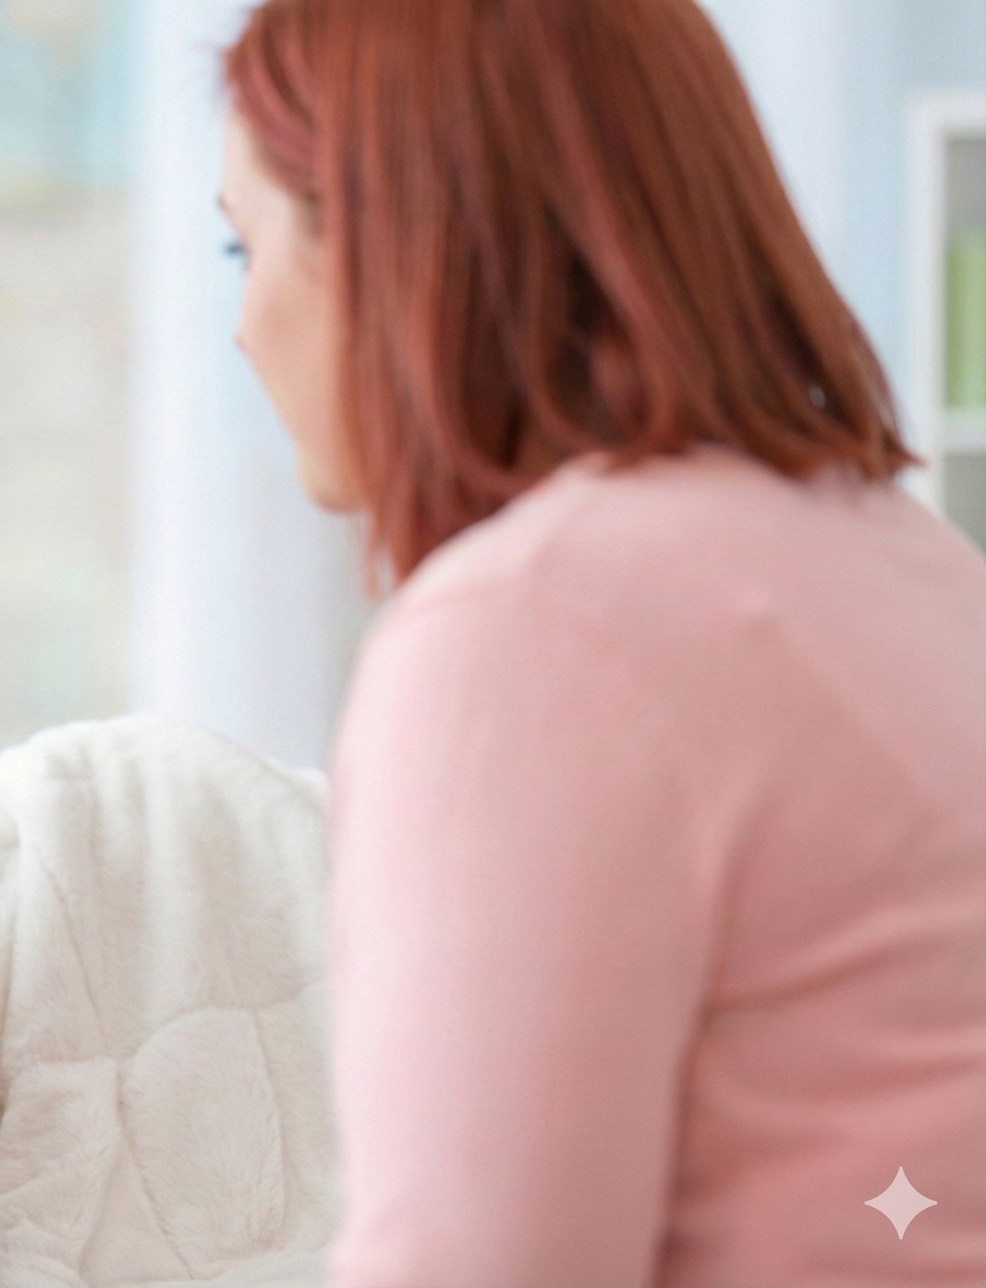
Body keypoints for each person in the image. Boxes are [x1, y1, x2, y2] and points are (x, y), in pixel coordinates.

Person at [218, 1, 986, 1284]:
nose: (243, 328)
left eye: (244, 250)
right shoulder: (914, 563)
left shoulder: (530, 628)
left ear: (393, 241)